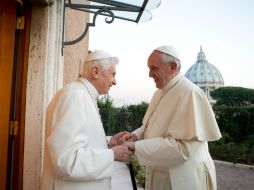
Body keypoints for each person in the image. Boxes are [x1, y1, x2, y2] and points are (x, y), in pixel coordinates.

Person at [116, 45, 222, 190]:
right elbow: (150, 126)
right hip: (160, 173)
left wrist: (136, 147)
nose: (149, 74)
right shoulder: (159, 93)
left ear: (172, 67)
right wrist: (135, 136)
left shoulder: (190, 93)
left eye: (154, 68)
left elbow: (182, 149)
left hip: (182, 179)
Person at [40, 50, 133, 190]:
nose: (115, 81)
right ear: (96, 71)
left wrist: (108, 143)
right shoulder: (75, 95)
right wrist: (113, 154)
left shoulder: (82, 94)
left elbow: (81, 143)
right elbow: (67, 161)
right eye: (113, 74)